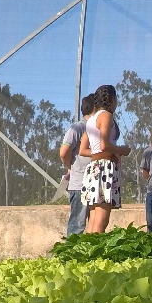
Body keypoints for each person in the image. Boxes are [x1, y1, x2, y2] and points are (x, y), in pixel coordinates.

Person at [80, 84, 128, 234]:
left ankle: (85, 252)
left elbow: (83, 150)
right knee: (102, 218)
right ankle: (95, 254)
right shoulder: (106, 116)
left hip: (93, 168)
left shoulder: (91, 119)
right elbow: (104, 145)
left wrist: (99, 154)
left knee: (93, 219)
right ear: (112, 99)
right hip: (105, 168)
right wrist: (121, 151)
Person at [59, 94, 95, 237]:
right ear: (94, 108)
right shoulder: (78, 128)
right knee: (77, 225)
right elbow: (64, 152)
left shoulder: (96, 129)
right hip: (80, 184)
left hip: (95, 183)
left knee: (93, 225)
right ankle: (71, 256)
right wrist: (70, 168)